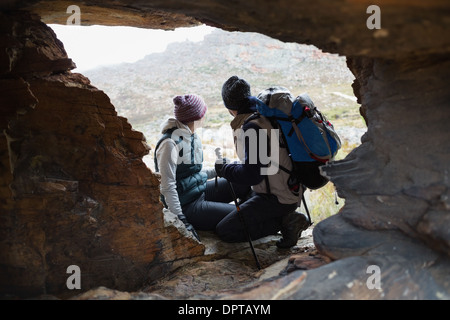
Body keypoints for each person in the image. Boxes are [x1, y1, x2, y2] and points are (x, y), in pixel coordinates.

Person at [215, 76, 309, 248]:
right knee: (242, 204)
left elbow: (252, 175)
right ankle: (283, 217)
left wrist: (224, 169)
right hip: (288, 186)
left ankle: (287, 221)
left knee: (226, 230)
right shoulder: (265, 116)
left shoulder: (252, 127)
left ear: (229, 106)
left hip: (277, 197)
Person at [154, 94, 250, 241]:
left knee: (242, 180)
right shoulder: (169, 144)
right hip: (187, 206)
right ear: (197, 117)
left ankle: (251, 212)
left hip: (199, 191)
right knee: (243, 215)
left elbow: (193, 174)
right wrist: (181, 219)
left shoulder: (190, 135)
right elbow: (167, 187)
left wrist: (218, 170)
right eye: (203, 113)